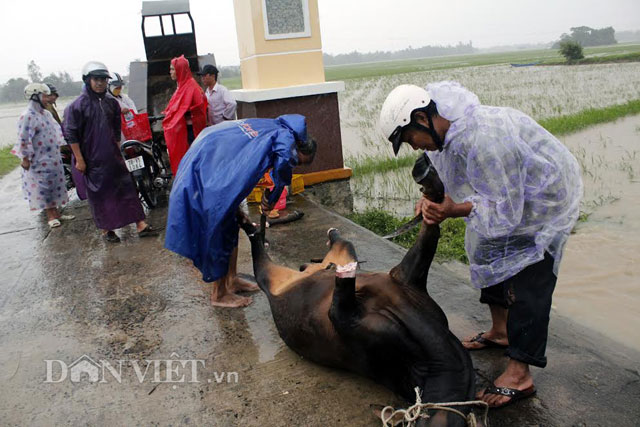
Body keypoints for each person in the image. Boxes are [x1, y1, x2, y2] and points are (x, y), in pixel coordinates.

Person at [379, 82, 582, 408]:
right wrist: (428, 202)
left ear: (421, 118)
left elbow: (506, 208)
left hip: (542, 200)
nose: (413, 147)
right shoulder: (443, 137)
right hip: (511, 196)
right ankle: (500, 331)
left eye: (408, 139)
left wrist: (453, 210)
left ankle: (520, 375)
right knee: (488, 250)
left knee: (530, 276)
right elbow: (447, 176)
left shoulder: (486, 139)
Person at [165, 115, 317, 308]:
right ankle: (219, 294)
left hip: (212, 154)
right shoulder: (286, 141)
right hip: (207, 168)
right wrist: (272, 199)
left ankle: (232, 279)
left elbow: (238, 164)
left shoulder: (273, 126)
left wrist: (236, 207)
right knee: (218, 229)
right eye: (299, 162)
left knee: (231, 223)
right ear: (299, 147)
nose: (296, 165)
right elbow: (284, 165)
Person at [63, 61, 157, 243]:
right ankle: (106, 230)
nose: (100, 83)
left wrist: (116, 149)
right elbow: (70, 134)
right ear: (88, 80)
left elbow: (115, 129)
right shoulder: (76, 106)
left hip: (113, 156)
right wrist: (80, 159)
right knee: (100, 195)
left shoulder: (111, 103)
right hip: (91, 159)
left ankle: (140, 224)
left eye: (103, 80)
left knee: (127, 188)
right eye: (96, 79)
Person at [11, 83, 74, 228]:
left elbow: (57, 132)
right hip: (38, 158)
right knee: (43, 186)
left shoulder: (46, 114)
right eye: (45, 96)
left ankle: (57, 212)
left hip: (53, 156)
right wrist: (25, 158)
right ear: (35, 97)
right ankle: (50, 215)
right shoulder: (27, 116)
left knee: (56, 184)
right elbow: (23, 138)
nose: (48, 99)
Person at [162, 55, 207, 175]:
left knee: (191, 161)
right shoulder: (182, 86)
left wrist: (178, 113)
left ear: (179, 70)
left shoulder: (191, 86)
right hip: (185, 130)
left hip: (191, 132)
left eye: (172, 69)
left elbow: (196, 107)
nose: (170, 72)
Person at [108, 72, 138, 142]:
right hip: (116, 132)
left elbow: (132, 108)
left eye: (120, 87)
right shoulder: (106, 99)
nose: (118, 89)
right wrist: (119, 111)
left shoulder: (123, 97)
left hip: (128, 128)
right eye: (116, 87)